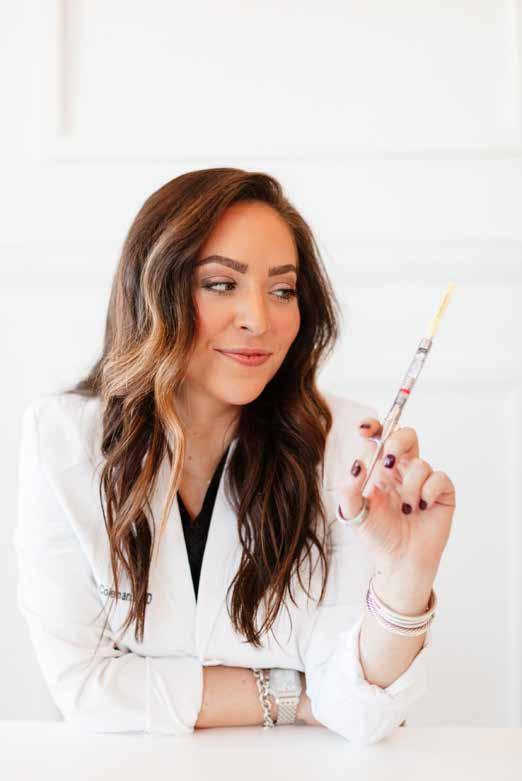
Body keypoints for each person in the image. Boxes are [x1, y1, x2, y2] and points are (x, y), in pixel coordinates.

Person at [14, 168, 455, 744]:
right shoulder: (63, 440)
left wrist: (406, 574)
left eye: (282, 290)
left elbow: (359, 711)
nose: (259, 320)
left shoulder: (347, 450)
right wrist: (294, 695)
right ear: (154, 290)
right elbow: (84, 688)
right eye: (222, 284)